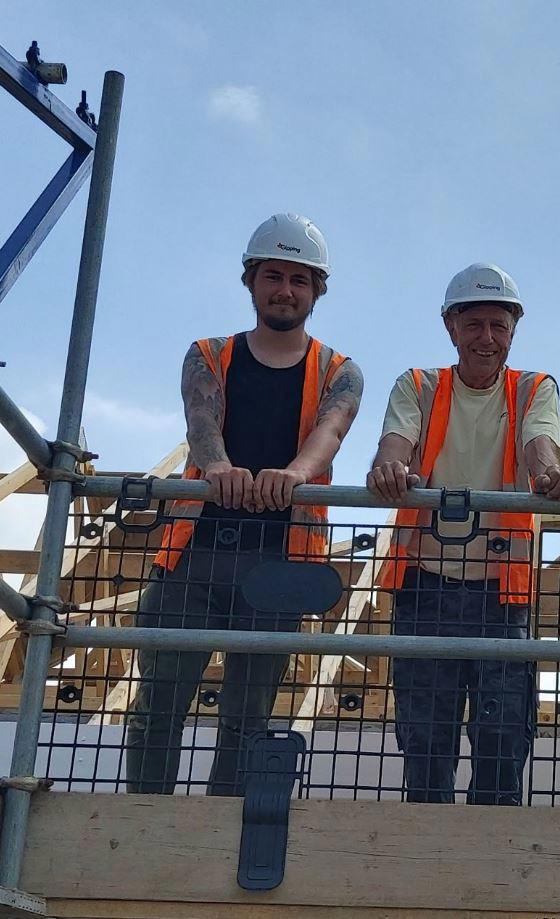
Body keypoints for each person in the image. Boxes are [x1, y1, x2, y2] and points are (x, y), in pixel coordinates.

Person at [125, 213, 363, 795]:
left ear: (316, 291)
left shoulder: (340, 371)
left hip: (279, 563)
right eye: (274, 276)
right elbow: (201, 421)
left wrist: (295, 476)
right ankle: (145, 819)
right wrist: (219, 467)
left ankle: (222, 832)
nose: (286, 290)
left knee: (248, 718)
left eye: (299, 280)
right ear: (252, 281)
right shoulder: (208, 354)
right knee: (160, 704)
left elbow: (329, 434)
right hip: (195, 558)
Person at [370, 262, 560, 805]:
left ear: (514, 330)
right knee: (426, 741)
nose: (487, 338)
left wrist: (549, 473)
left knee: (504, 739)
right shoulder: (418, 386)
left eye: (499, 326)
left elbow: (540, 444)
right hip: (425, 589)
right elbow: (395, 441)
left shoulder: (534, 389)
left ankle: (493, 860)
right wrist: (389, 466)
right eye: (475, 324)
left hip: (500, 594)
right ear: (451, 327)